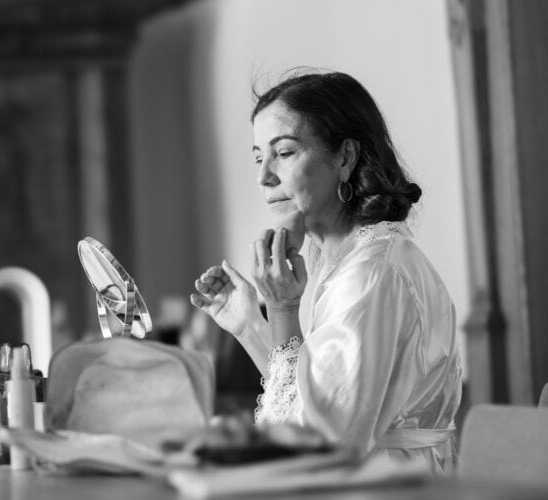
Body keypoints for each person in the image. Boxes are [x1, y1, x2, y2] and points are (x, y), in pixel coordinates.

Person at [190, 71, 462, 475]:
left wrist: (283, 309)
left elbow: (315, 446)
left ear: (345, 157)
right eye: (258, 156)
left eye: (283, 153)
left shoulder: (371, 273)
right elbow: (313, 398)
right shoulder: (347, 260)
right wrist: (249, 324)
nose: (264, 176)